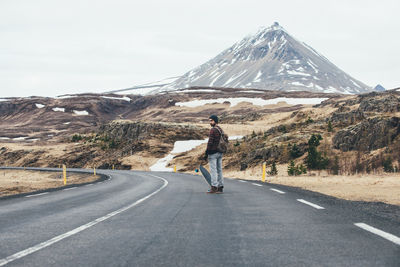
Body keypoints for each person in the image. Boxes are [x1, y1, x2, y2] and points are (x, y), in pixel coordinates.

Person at [205, 115, 224, 194]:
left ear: (215, 121)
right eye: (210, 121)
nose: (210, 122)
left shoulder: (213, 130)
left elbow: (210, 142)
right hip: (220, 152)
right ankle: (220, 187)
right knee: (219, 170)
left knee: (213, 171)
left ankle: (214, 187)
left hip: (213, 153)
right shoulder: (220, 129)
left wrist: (207, 152)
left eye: (211, 121)